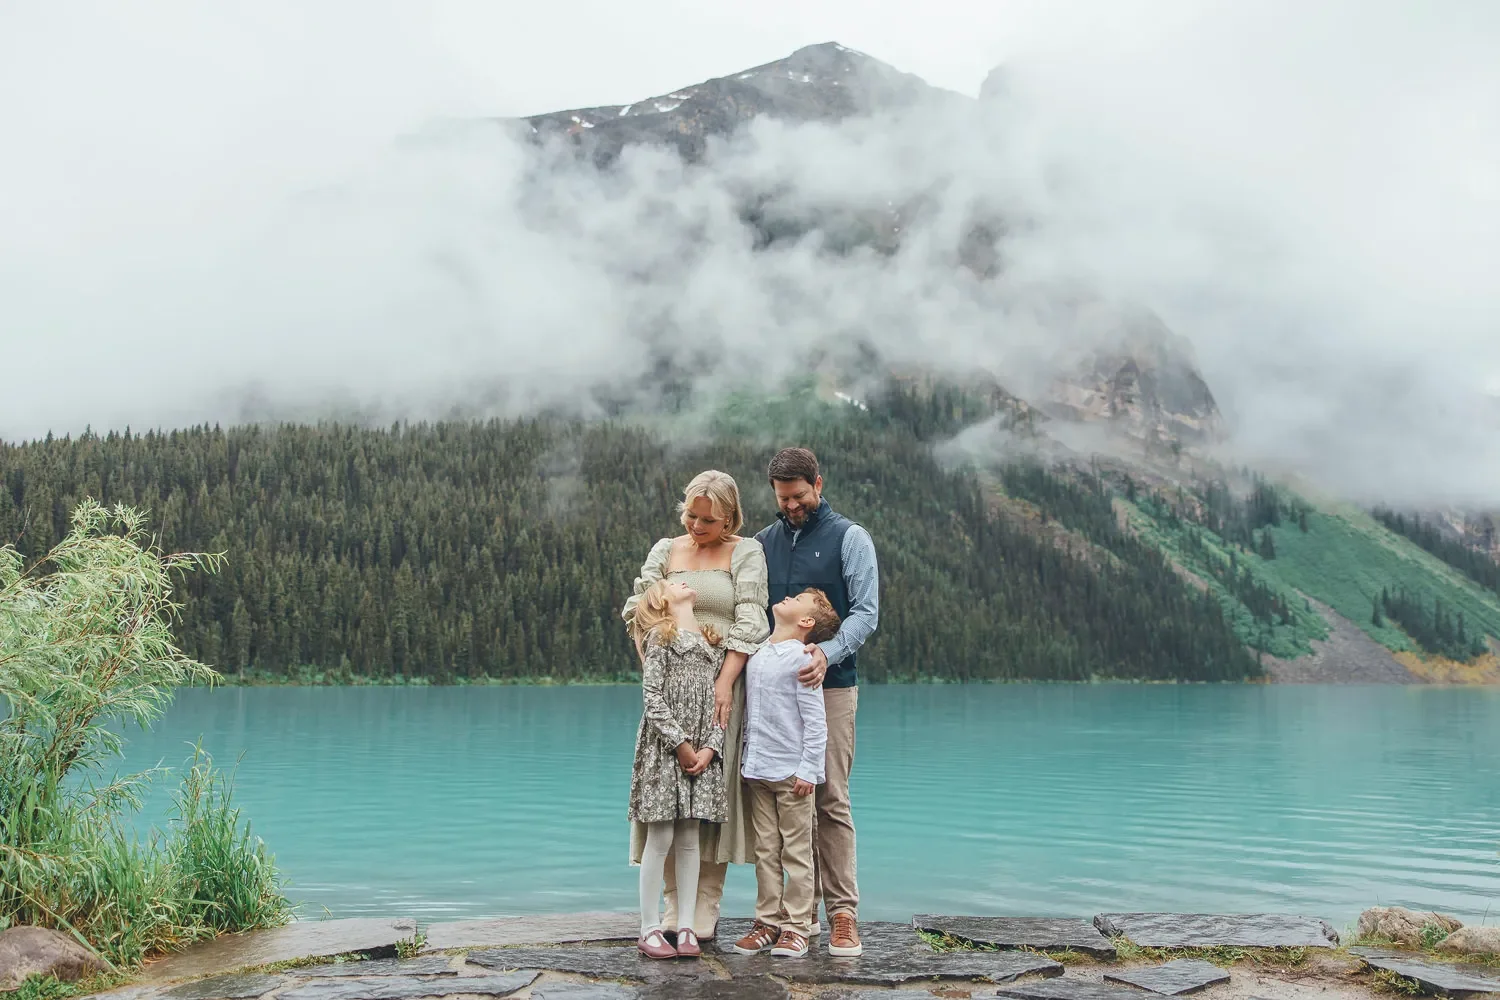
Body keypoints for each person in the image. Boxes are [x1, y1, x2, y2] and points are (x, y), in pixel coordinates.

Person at [622, 470, 770, 942]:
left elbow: (752, 618)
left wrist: (724, 682)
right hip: (671, 685)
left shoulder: (746, 552)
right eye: (691, 515)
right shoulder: (665, 550)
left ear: (729, 517)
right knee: (666, 793)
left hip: (723, 686)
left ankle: (704, 903)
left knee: (709, 791)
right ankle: (671, 905)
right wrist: (659, 666)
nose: (696, 526)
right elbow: (640, 608)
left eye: (708, 520)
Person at [754, 447, 879, 958]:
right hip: (772, 699)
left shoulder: (850, 538)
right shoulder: (762, 543)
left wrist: (826, 654)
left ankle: (843, 914)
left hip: (832, 688)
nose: (792, 506)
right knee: (785, 806)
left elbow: (866, 613)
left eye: (800, 496)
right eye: (783, 498)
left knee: (829, 798)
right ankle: (793, 919)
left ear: (818, 485)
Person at [733, 589, 841, 960]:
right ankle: (767, 922)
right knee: (765, 851)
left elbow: (816, 723)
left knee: (796, 853)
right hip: (758, 770)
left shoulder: (802, 658)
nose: (787, 597)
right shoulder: (759, 652)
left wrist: (809, 770)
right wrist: (746, 761)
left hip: (792, 775)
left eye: (797, 599)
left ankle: (797, 926)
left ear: (806, 621)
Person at [627, 578, 726, 959]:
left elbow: (720, 706)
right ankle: (648, 927)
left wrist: (710, 748)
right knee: (660, 838)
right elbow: (652, 698)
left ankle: (686, 925)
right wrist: (681, 744)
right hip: (665, 751)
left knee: (689, 839)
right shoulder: (660, 638)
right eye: (671, 583)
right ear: (662, 602)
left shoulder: (709, 644)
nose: (682, 581)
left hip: (700, 753)